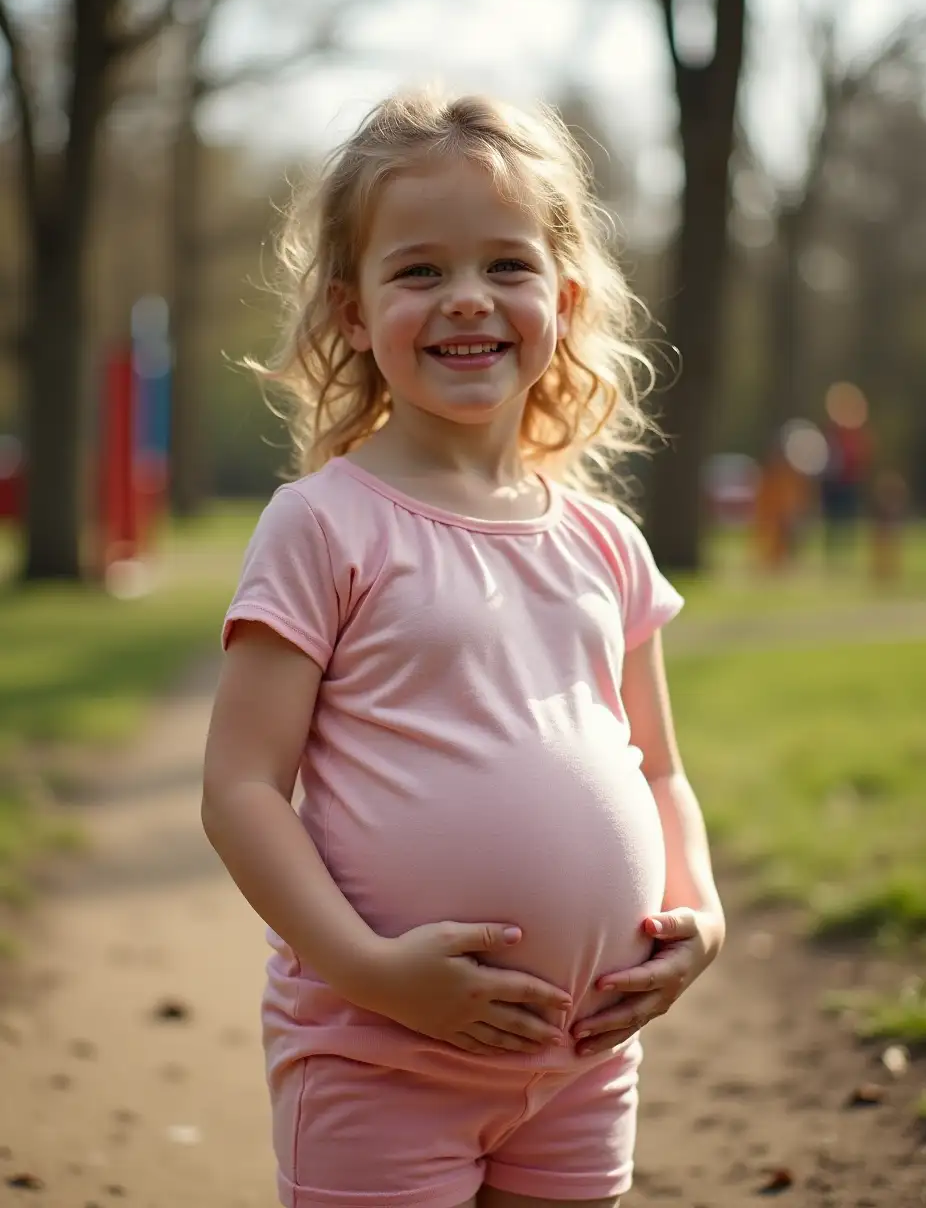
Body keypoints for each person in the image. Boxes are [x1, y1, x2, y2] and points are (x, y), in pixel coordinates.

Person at [202, 89, 725, 1208]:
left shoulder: (604, 540)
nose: (467, 299)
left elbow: (660, 766)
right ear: (352, 312)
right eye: (420, 271)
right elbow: (241, 786)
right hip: (378, 1051)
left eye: (505, 264)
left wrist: (704, 913)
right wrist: (372, 970)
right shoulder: (325, 523)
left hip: (582, 1058)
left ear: (563, 297)